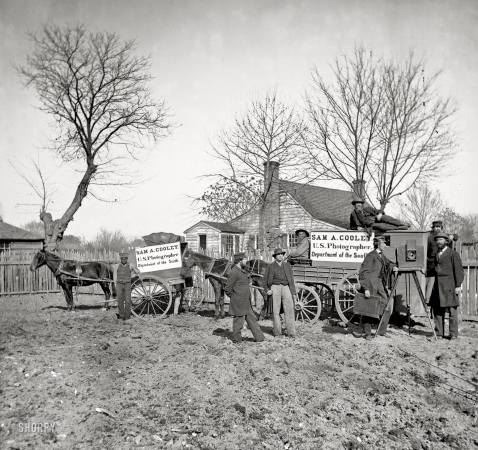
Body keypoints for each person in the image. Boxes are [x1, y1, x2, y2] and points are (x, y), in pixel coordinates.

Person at [358, 236, 398, 340]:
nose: (385, 245)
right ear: (378, 244)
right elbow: (364, 272)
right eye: (383, 243)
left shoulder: (381, 256)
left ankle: (381, 331)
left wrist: (394, 267)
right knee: (369, 308)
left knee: (386, 305)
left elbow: (388, 264)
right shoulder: (371, 256)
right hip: (371, 285)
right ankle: (367, 333)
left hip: (379, 284)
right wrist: (366, 288)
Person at [430, 232, 464, 340]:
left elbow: (459, 271)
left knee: (452, 311)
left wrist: (458, 285)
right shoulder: (437, 254)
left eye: (441, 240)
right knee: (438, 310)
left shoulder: (453, 254)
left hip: (450, 285)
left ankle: (453, 334)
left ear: (446, 241)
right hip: (438, 285)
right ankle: (439, 333)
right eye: (437, 240)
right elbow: (435, 269)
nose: (439, 242)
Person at [224, 252, 265, 344]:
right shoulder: (234, 272)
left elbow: (244, 282)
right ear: (239, 261)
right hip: (239, 302)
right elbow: (227, 288)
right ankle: (237, 340)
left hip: (246, 301)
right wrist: (235, 297)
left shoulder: (242, 271)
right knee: (238, 322)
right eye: (244, 259)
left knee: (252, 319)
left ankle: (260, 338)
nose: (246, 261)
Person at [265, 248, 297, 338]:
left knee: (289, 310)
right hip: (274, 288)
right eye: (278, 254)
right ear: (275, 257)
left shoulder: (287, 266)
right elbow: (264, 280)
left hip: (286, 288)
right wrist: (267, 290)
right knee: (275, 311)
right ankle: (278, 333)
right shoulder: (270, 266)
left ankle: (291, 333)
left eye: (282, 254)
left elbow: (291, 280)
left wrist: (293, 292)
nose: (280, 256)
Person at [425, 220, 458, 303]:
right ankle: (427, 303)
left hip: (444, 263)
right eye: (436, 227)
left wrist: (452, 236)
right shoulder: (429, 236)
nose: (437, 229)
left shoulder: (444, 236)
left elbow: (456, 237)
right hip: (431, 263)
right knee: (430, 285)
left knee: (442, 284)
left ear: (441, 227)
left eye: (439, 227)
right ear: (433, 228)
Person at [112, 252, 140, 321]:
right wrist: (115, 284)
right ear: (120, 259)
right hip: (119, 284)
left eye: (125, 259)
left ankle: (127, 316)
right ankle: (121, 316)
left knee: (128, 300)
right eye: (122, 259)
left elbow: (138, 271)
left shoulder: (130, 265)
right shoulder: (117, 266)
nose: (123, 260)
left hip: (127, 284)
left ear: (127, 259)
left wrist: (132, 276)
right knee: (120, 300)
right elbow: (115, 276)